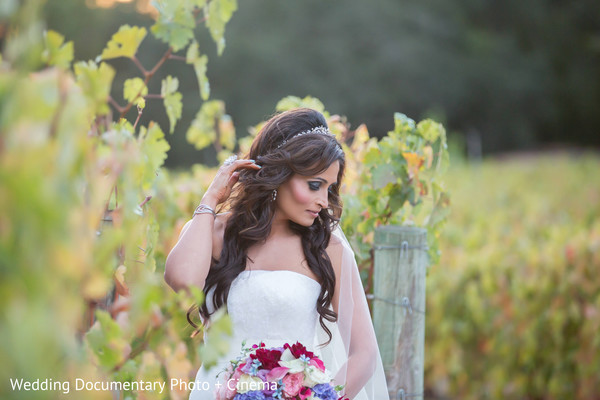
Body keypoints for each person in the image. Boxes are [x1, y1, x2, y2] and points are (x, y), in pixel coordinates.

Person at [164, 108, 390, 400]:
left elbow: (365, 354)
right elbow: (182, 280)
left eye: (329, 188)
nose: (324, 201)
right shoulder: (213, 232)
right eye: (314, 185)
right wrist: (210, 199)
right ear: (278, 174)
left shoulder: (328, 251)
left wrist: (320, 398)